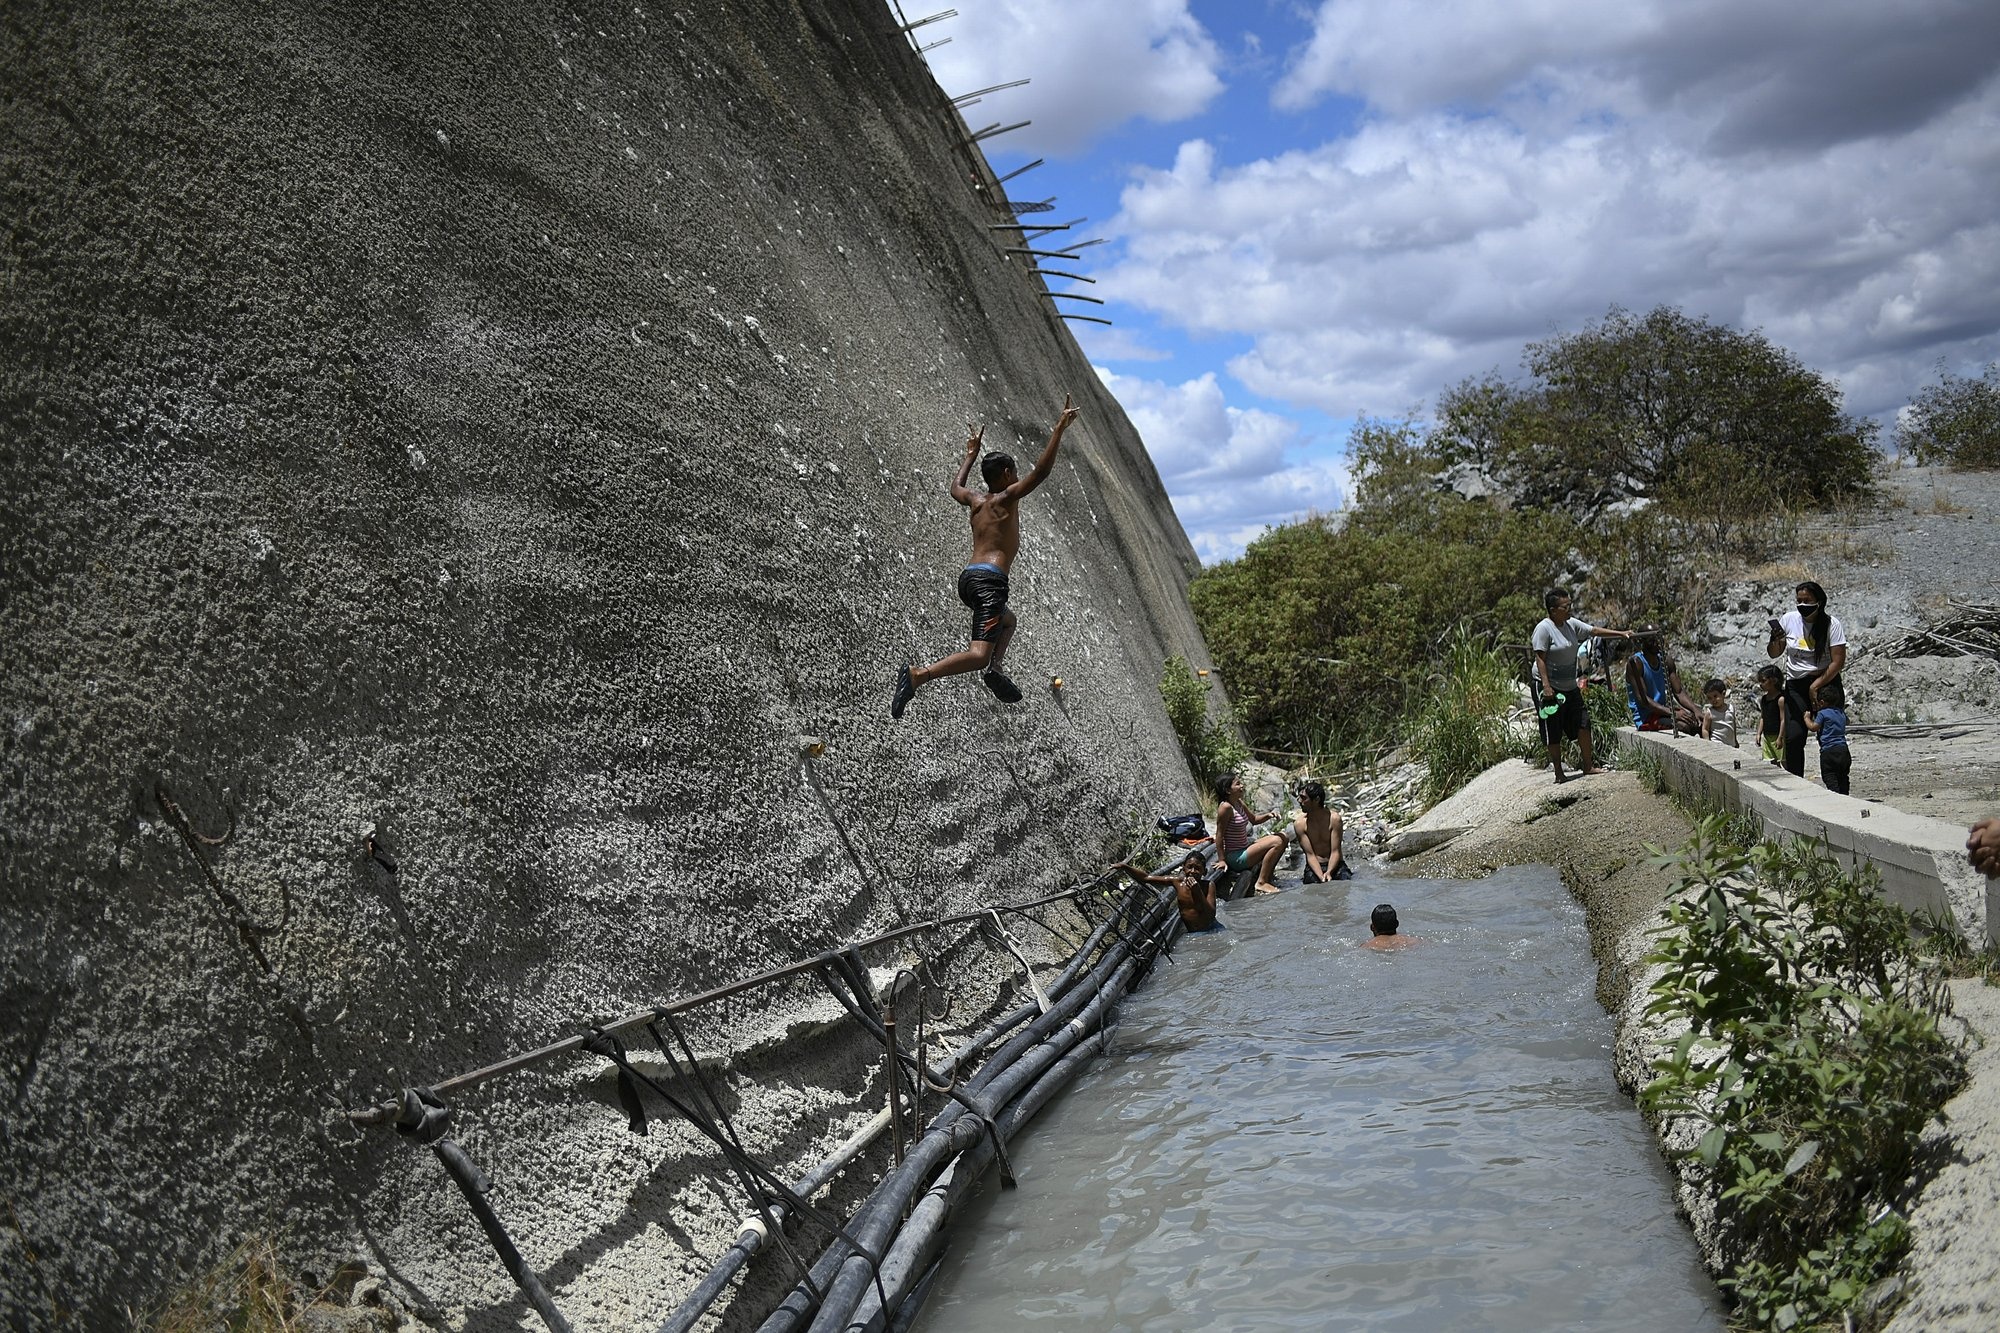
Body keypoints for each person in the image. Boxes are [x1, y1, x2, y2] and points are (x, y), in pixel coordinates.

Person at [892, 394, 1080, 718]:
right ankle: (919, 675)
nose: (1019, 477)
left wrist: (969, 455)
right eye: (1016, 472)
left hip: (968, 580)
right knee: (978, 654)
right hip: (990, 581)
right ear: (1007, 473)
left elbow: (955, 487)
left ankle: (996, 669)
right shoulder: (1007, 497)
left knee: (1008, 621)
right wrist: (1059, 429)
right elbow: (1041, 472)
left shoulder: (977, 501)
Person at [1531, 588, 1635, 784]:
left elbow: (1593, 630)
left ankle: (1588, 766)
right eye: (1565, 606)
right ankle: (1559, 772)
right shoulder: (1544, 629)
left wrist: (1620, 634)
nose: (1570, 609)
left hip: (1569, 685)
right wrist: (1546, 687)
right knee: (1552, 728)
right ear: (1553, 610)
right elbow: (1540, 658)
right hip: (1548, 686)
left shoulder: (1570, 624)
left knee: (1583, 721)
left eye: (1570, 605)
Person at [1764, 580, 1846, 778]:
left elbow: (1838, 661)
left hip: (1826, 683)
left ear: (1818, 601)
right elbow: (1774, 654)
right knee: (1794, 736)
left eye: (1807, 601)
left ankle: (1836, 781)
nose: (1802, 605)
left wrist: (1817, 685)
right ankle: (1796, 781)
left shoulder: (1832, 625)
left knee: (1830, 736)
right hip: (1796, 685)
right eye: (1799, 601)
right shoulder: (1789, 620)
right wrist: (1776, 639)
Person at [1215, 772, 1286, 894]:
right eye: (1238, 784)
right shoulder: (1225, 808)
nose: (1242, 786)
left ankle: (1268, 876)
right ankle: (1261, 882)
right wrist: (1222, 859)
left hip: (1244, 848)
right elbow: (1219, 835)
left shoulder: (1239, 802)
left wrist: (1269, 815)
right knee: (1277, 841)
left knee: (1283, 837)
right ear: (1227, 790)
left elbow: (1253, 820)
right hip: (1235, 856)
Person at [1110, 851, 1218, 932]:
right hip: (1193, 932)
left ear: (1204, 871)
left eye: (1198, 868)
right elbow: (1146, 877)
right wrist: (1125, 867)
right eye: (1189, 867)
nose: (1193, 871)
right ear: (1183, 868)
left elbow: (1211, 914)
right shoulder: (1177, 882)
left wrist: (1197, 891)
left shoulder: (1208, 885)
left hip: (1210, 929)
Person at [1625, 626, 1700, 733]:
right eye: (1652, 640)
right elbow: (1643, 700)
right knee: (1684, 727)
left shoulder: (1666, 661)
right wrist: (1673, 713)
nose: (1657, 642)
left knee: (1696, 722)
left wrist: (1695, 709)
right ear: (1642, 641)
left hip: (1661, 711)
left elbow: (1678, 692)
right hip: (1646, 717)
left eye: (1659, 638)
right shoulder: (1636, 663)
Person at [1291, 780, 1351, 882]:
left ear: (1316, 800)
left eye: (1303, 798)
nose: (1299, 801)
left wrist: (1329, 872)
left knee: (1344, 883)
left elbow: (1335, 851)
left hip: (1336, 865)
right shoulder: (1300, 824)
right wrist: (1321, 876)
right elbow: (1310, 855)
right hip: (1314, 867)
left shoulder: (1334, 819)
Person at [1803, 675, 1852, 795]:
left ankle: (1835, 795)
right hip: (1843, 749)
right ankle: (1845, 794)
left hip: (1829, 751)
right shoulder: (1840, 712)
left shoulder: (1823, 713)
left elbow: (1814, 727)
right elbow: (1847, 721)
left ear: (1822, 702)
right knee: (1842, 776)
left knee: (1829, 776)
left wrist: (1806, 719)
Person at [1753, 665, 1784, 764]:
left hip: (1777, 735)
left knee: (1782, 761)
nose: (1761, 684)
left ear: (1774, 681)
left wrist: (1780, 737)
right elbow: (1763, 717)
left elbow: (1783, 719)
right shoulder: (1764, 699)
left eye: (1763, 681)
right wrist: (1758, 733)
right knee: (1770, 761)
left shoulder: (1780, 699)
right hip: (1767, 736)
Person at [1700, 678, 1739, 748]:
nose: (1713, 700)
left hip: (1731, 744)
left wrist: (1735, 740)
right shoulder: (1710, 713)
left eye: (1715, 696)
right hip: (1716, 744)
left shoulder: (1731, 708)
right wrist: (1708, 743)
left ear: (1723, 694)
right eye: (1710, 698)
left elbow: (1733, 725)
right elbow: (1705, 729)